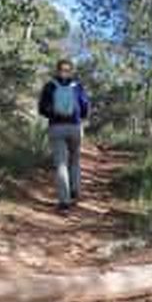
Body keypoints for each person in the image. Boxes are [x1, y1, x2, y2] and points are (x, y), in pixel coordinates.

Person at [38, 58, 90, 211]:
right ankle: (75, 189)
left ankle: (64, 201)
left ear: (57, 70)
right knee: (75, 160)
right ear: (71, 71)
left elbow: (42, 109)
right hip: (75, 127)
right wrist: (79, 117)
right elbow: (85, 106)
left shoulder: (50, 86)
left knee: (61, 164)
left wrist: (54, 114)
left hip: (56, 127)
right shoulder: (77, 86)